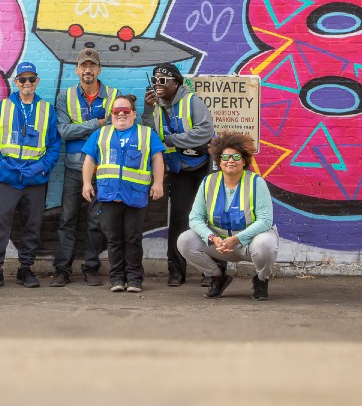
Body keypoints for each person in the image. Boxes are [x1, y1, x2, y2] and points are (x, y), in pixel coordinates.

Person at [0, 61, 61, 289]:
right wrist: (2, 167)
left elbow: (54, 145)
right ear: (16, 82)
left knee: (32, 226)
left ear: (37, 81)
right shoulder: (4, 106)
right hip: (8, 179)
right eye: (23, 79)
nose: (27, 83)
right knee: (0, 225)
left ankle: (25, 269)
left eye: (31, 79)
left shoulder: (46, 109)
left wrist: (42, 167)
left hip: (35, 180)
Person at [177, 131, 278, 300]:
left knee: (265, 244)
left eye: (236, 157)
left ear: (244, 160)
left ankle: (261, 279)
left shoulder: (256, 182)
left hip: (248, 243)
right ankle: (217, 277)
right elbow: (194, 218)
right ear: (219, 161)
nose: (230, 161)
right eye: (225, 157)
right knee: (185, 240)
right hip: (220, 244)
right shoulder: (208, 182)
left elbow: (265, 220)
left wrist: (236, 239)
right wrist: (211, 237)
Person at [82, 94, 165, 293]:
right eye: (116, 111)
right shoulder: (101, 134)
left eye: (125, 111)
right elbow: (89, 160)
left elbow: (157, 159)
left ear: (134, 114)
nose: (121, 114)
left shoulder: (146, 134)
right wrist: (86, 183)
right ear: (111, 115)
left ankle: (135, 279)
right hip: (109, 195)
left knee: (133, 238)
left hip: (135, 196)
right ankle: (117, 278)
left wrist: (158, 183)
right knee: (114, 239)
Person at [141, 62, 214, 286]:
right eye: (154, 81)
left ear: (176, 82)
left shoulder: (192, 101)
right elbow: (148, 134)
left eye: (162, 81)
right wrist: (146, 110)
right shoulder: (155, 105)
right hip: (178, 168)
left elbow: (205, 131)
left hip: (200, 166)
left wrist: (172, 140)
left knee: (206, 219)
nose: (157, 85)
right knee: (179, 219)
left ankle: (210, 272)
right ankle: (176, 270)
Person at [50, 48, 118, 287]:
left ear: (99, 70)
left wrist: (85, 126)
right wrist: (97, 123)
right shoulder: (64, 97)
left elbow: (115, 129)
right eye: (83, 66)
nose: (88, 70)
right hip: (73, 168)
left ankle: (91, 268)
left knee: (95, 222)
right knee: (67, 219)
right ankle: (62, 269)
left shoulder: (113, 95)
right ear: (77, 70)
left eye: (92, 66)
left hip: (103, 169)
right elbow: (64, 131)